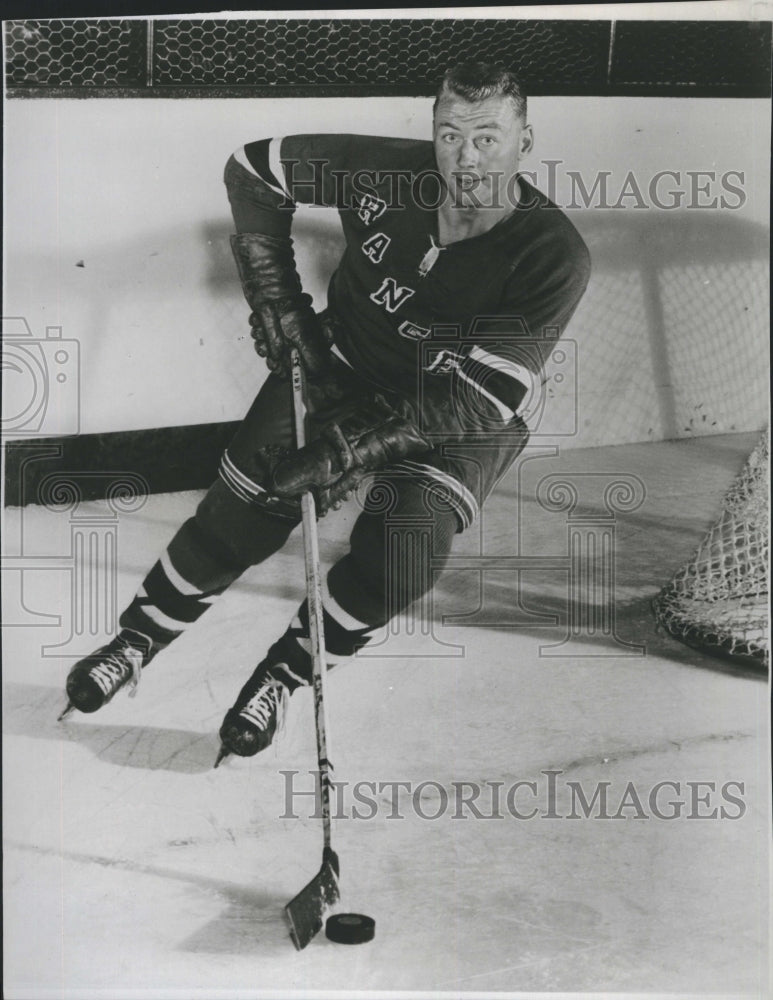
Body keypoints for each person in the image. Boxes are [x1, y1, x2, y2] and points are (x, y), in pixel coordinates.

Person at [61, 62, 591, 760]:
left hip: (459, 409)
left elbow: (474, 398)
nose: (465, 157)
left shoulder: (551, 252)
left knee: (405, 550)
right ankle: (136, 639)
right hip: (342, 363)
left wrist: (344, 451)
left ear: (525, 143)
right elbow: (253, 170)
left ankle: (283, 673)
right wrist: (281, 309)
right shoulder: (383, 171)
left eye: (488, 138)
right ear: (430, 132)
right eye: (449, 134)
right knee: (245, 504)